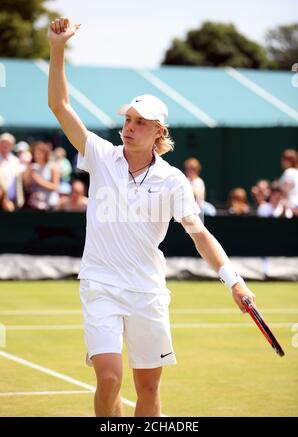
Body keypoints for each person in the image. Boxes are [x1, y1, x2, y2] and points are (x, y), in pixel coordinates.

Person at [48, 17, 256, 418]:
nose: (129, 127)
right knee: (109, 378)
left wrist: (234, 280)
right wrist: (57, 49)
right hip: (100, 284)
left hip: (147, 291)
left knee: (148, 388)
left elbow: (199, 235)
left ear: (158, 132)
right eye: (127, 120)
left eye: (139, 122)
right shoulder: (100, 155)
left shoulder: (174, 181)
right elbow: (59, 106)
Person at [23, 141, 60, 210]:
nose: (37, 155)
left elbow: (55, 186)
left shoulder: (52, 167)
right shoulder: (32, 167)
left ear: (45, 154)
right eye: (35, 153)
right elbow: (26, 186)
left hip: (49, 205)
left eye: (39, 153)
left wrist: (37, 179)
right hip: (33, 205)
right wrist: (28, 172)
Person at [0, 132, 24, 208]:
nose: (5, 145)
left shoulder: (16, 161)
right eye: (3, 143)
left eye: (8, 143)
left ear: (12, 145)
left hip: (14, 201)